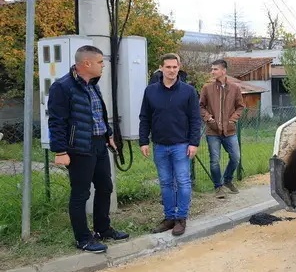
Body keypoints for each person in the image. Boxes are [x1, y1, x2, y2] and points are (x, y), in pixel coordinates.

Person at [48, 45, 129, 253]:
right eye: (100, 62)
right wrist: (60, 151)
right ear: (87, 63)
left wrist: (108, 134)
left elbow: (98, 114)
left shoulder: (93, 85)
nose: (103, 66)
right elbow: (56, 121)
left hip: (99, 144)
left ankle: (103, 229)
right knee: (80, 194)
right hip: (79, 147)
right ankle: (83, 239)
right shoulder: (62, 87)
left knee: (105, 187)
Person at [139, 53, 202, 236]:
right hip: (160, 145)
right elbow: (145, 117)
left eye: (175, 67)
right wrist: (143, 141)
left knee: (183, 182)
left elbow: (195, 119)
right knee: (166, 183)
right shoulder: (150, 91)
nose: (172, 70)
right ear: (161, 68)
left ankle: (181, 218)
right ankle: (169, 218)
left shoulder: (188, 91)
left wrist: (194, 143)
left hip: (181, 145)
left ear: (179, 68)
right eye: (168, 67)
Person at [199, 59, 245, 199]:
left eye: (215, 69)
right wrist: (209, 119)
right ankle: (218, 187)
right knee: (214, 161)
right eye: (212, 69)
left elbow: (240, 107)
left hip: (229, 130)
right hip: (212, 131)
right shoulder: (207, 88)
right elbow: (200, 106)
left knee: (236, 157)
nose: (212, 72)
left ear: (223, 71)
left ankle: (227, 180)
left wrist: (232, 120)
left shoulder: (235, 88)